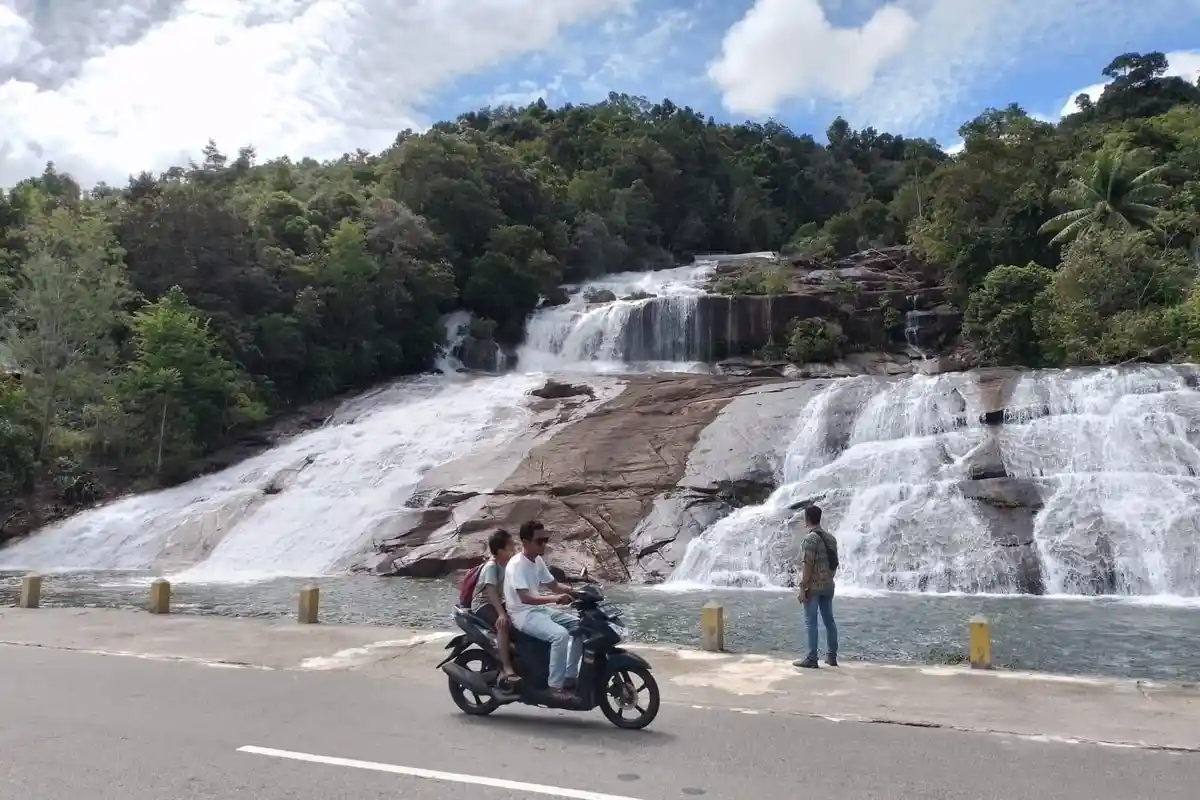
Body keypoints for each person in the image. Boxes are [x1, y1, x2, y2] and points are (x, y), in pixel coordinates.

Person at [503, 520, 581, 701]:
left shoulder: (537, 560)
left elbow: (553, 585)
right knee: (560, 635)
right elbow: (525, 598)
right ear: (525, 542)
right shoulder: (516, 565)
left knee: (580, 626)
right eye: (539, 541)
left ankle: (570, 675)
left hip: (539, 610)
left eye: (545, 540)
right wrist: (555, 599)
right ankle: (554, 687)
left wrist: (577, 592)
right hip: (522, 614)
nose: (544, 544)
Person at [469, 528, 520, 686]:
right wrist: (501, 614)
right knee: (503, 625)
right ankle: (506, 668)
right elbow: (491, 591)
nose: (514, 548)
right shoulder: (492, 566)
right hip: (482, 604)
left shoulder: (506, 564)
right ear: (500, 550)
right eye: (510, 546)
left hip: (497, 601)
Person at [794, 504, 839, 669]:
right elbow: (834, 563)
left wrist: (803, 587)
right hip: (828, 586)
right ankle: (832, 656)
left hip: (813, 587)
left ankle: (812, 658)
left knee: (811, 622)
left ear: (807, 519)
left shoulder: (809, 539)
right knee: (829, 621)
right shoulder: (831, 539)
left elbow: (807, 565)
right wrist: (828, 578)